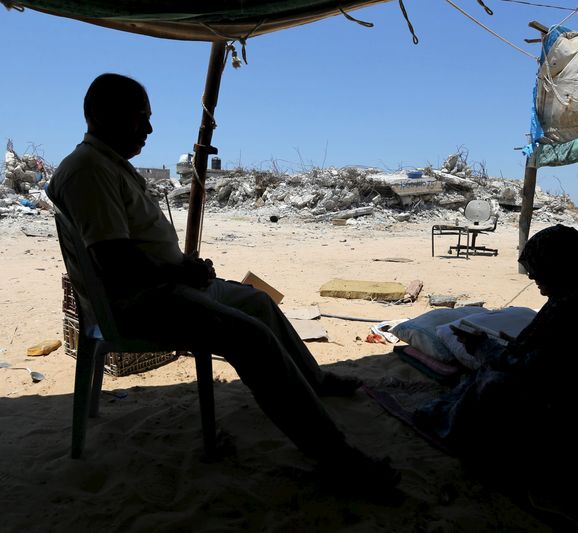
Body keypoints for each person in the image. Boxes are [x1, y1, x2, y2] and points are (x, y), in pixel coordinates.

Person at [47, 73, 398, 489]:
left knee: (257, 302)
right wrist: (180, 270)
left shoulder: (104, 163)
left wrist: (183, 270)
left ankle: (314, 382)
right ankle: (336, 457)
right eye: (139, 117)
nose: (149, 128)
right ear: (103, 116)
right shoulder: (89, 170)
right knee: (252, 338)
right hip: (143, 301)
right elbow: (114, 261)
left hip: (166, 285)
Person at [413, 224, 578, 521]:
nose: (532, 278)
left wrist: (485, 349)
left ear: (558, 266)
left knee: (491, 385)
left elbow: (534, 371)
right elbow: (558, 361)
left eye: (537, 270)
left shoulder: (573, 309)